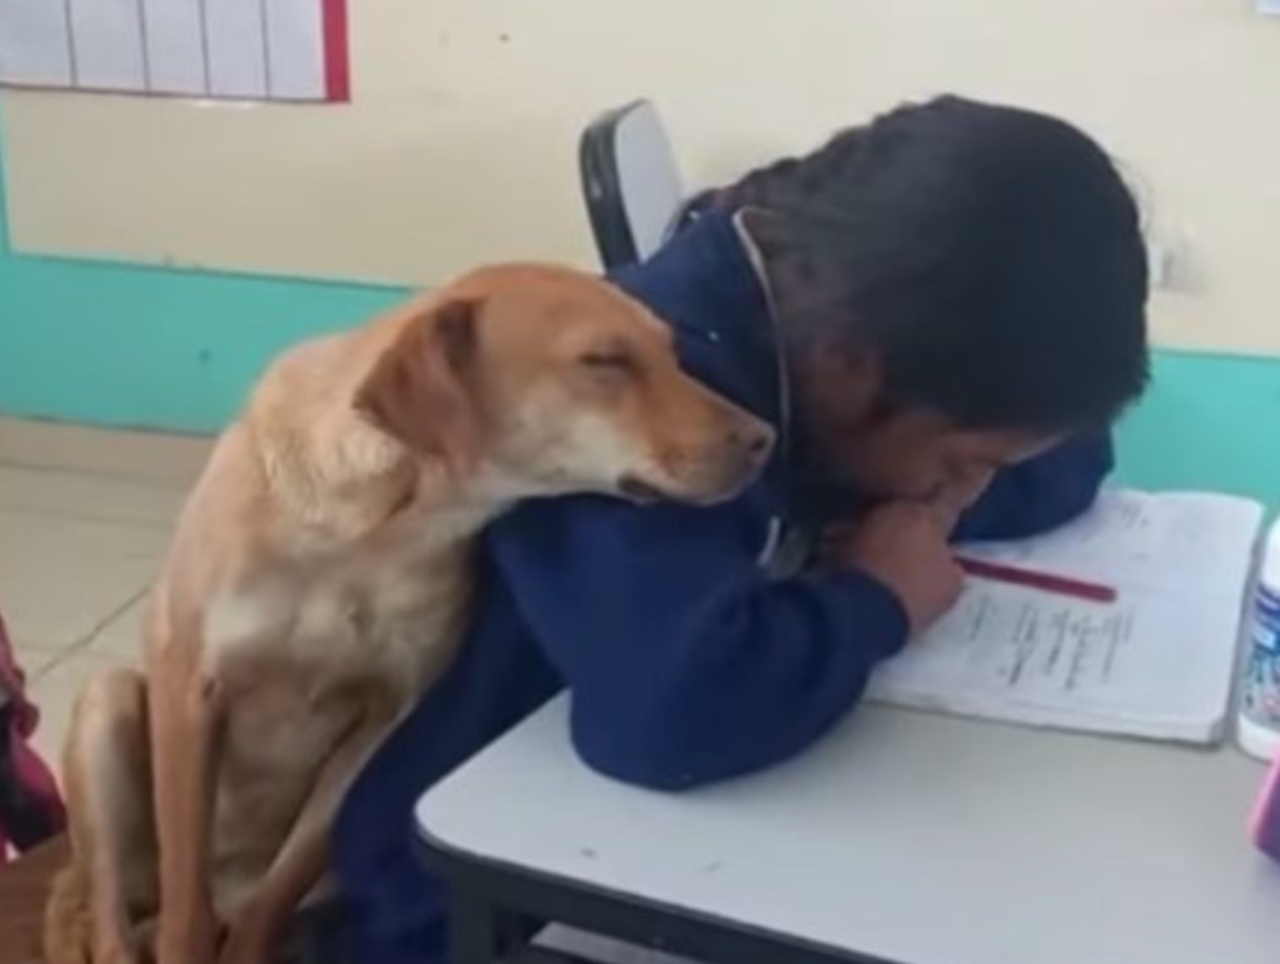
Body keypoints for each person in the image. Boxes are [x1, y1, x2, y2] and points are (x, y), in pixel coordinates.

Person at [330, 96, 1149, 963]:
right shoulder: (637, 408)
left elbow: (1070, 458)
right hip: (470, 912)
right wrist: (879, 598)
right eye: (963, 463)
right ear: (849, 365)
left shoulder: (825, 324)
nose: (971, 489)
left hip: (653, 858)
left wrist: (925, 500)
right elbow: (667, 714)